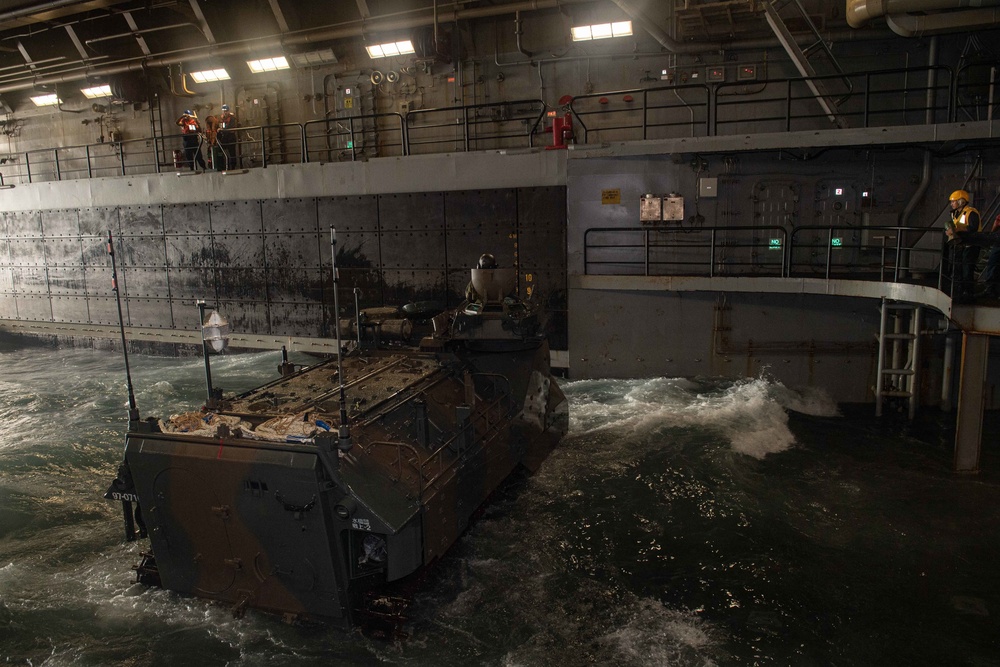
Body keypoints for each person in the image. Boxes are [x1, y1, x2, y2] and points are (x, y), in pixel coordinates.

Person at [944, 189, 981, 302]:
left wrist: (956, 229)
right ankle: (959, 293)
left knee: (967, 271)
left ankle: (968, 295)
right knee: (958, 270)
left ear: (961, 201)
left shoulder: (971, 212)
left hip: (970, 246)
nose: (952, 203)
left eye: (953, 201)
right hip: (960, 245)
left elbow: (973, 228)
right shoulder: (955, 213)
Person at [217, 104, 238, 170]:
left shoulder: (232, 118)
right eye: (223, 111)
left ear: (228, 111)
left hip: (230, 137)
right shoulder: (222, 118)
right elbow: (221, 125)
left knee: (232, 153)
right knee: (219, 150)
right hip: (225, 137)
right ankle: (221, 165)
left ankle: (233, 166)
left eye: (226, 111)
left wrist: (222, 129)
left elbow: (230, 126)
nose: (224, 112)